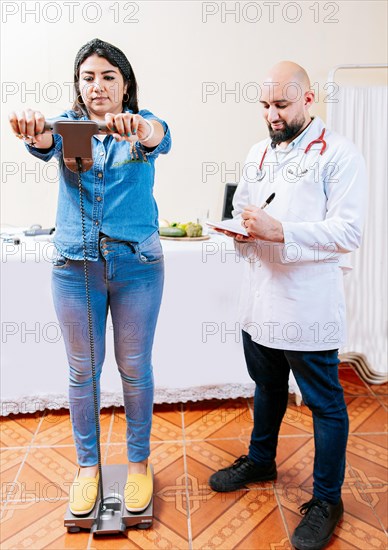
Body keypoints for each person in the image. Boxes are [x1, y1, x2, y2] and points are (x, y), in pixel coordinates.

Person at [9, 38, 171, 516]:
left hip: (136, 266)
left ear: (125, 84)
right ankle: (87, 468)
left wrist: (138, 126)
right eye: (87, 77)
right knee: (83, 372)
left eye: (107, 76)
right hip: (75, 267)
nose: (97, 86)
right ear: (78, 85)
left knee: (135, 367)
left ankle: (138, 463)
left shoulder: (143, 127)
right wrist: (31, 133)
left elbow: (157, 135)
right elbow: (44, 143)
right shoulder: (68, 129)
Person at [209, 61, 366, 550]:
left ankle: (327, 499)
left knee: (323, 402)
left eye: (281, 105)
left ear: (308, 99)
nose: (271, 115)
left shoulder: (339, 154)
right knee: (266, 384)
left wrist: (284, 231)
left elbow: (350, 231)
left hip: (306, 302)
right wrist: (238, 228)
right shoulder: (258, 151)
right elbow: (245, 207)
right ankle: (261, 460)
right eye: (264, 106)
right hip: (261, 299)